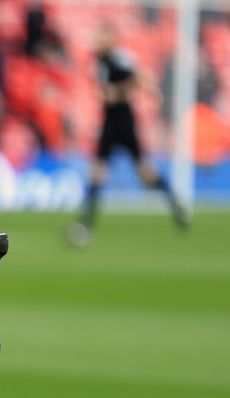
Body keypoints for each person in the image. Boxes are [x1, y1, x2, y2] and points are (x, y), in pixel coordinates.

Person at [67, 23, 188, 247]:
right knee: (97, 173)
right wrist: (111, 94)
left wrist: (123, 92)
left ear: (112, 39)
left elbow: (141, 79)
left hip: (124, 122)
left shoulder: (121, 58)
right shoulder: (98, 62)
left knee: (145, 174)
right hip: (109, 122)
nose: (99, 42)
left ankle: (175, 204)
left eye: (103, 38)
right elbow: (105, 93)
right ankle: (86, 224)